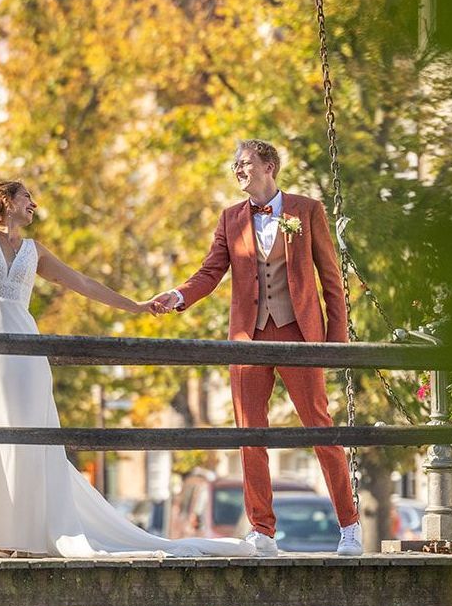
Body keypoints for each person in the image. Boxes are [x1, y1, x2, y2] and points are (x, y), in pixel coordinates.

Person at [0, 119, 253, 558]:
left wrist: (134, 306)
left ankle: (26, 533)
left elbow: (84, 284)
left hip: (23, 344)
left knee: (27, 432)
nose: (33, 204)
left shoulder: (35, 252)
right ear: (6, 202)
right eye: (26, 198)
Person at [152, 139, 362, 557]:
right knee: (251, 434)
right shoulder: (230, 219)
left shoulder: (307, 210)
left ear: (269, 166)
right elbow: (210, 271)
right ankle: (263, 532)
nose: (238, 170)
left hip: (299, 334)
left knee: (321, 428)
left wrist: (336, 345)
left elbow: (331, 281)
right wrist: (178, 295)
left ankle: (350, 526)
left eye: (245, 163)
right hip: (248, 338)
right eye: (235, 165)